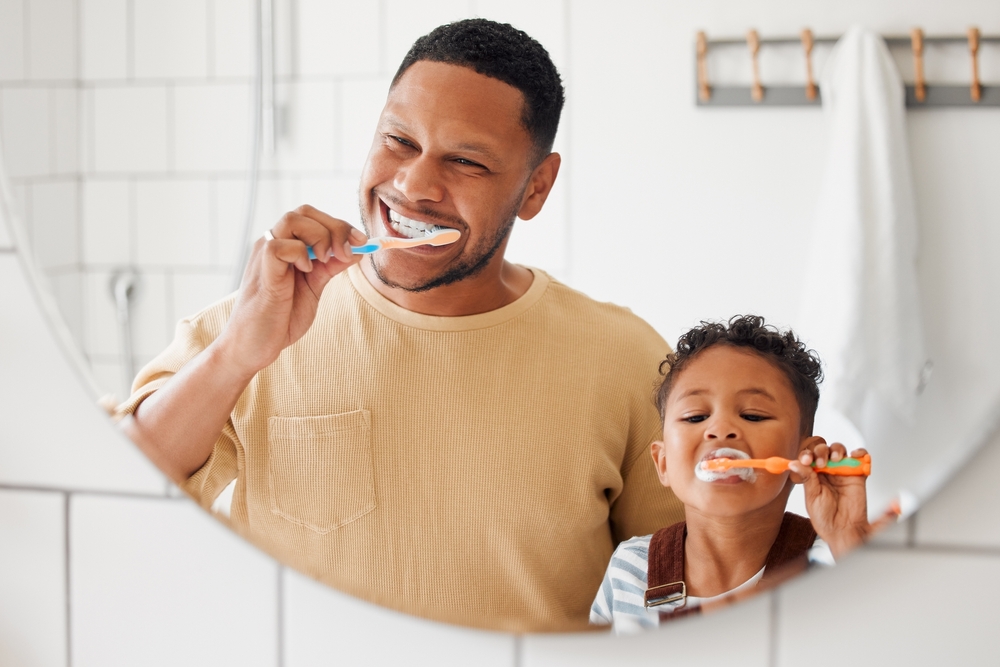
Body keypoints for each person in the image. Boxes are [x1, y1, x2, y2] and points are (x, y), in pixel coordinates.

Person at [116, 19, 683, 632]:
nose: (413, 186)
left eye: (465, 161)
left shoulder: (625, 358)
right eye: (398, 141)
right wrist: (234, 356)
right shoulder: (251, 325)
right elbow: (120, 496)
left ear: (535, 188)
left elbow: (684, 580)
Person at [590, 315, 887, 635]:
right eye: (695, 416)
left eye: (753, 415)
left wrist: (851, 547)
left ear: (805, 457)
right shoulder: (630, 571)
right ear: (663, 464)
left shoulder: (834, 564)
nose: (720, 430)